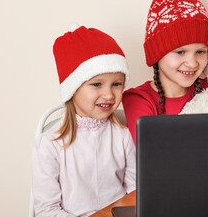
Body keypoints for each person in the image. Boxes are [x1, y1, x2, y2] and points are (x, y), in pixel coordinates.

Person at [31, 25, 136, 217]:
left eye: (116, 84)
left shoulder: (123, 136)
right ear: (73, 89)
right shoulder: (49, 144)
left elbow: (135, 195)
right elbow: (47, 210)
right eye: (96, 84)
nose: (108, 95)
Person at [122, 0, 208, 142]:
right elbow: (155, 153)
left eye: (200, 51)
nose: (193, 63)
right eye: (180, 52)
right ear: (157, 55)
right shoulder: (140, 100)